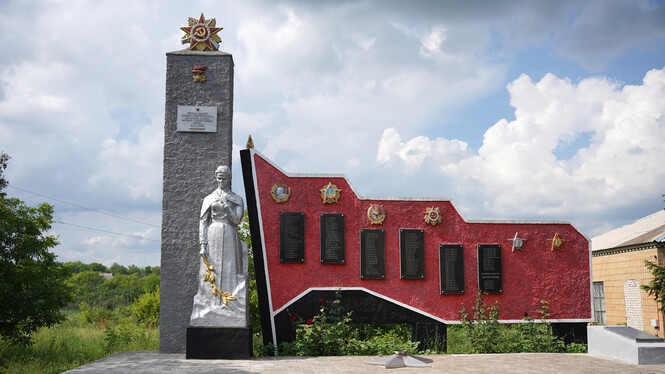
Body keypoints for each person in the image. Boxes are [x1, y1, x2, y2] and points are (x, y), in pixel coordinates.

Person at [190, 165, 248, 327]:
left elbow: (236, 220)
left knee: (229, 267)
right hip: (213, 232)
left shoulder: (237, 199)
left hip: (229, 233)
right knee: (213, 268)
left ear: (229, 178)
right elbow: (203, 221)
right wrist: (202, 244)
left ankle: (228, 303)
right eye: (218, 178)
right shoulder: (209, 198)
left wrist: (228, 207)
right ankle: (212, 301)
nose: (221, 181)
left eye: (224, 178)